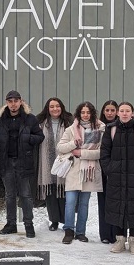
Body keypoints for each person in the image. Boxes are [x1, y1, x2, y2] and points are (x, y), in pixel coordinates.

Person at [100, 102, 134, 255]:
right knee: (117, 206)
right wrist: (109, 169)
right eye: (121, 111)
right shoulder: (111, 129)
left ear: (132, 113)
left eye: (127, 111)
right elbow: (104, 152)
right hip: (116, 176)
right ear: (118, 113)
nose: (124, 113)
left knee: (133, 207)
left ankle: (133, 241)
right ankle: (120, 240)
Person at [0, 90, 45, 238]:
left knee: (26, 195)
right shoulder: (0, 120)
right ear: (6, 103)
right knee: (9, 195)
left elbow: (40, 136)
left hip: (24, 161)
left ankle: (28, 224)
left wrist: (28, 139)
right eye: (10, 101)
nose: (13, 104)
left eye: (16, 101)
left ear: (21, 102)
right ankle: (11, 224)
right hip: (6, 162)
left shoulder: (30, 119)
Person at [56, 101, 104, 244]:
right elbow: (60, 147)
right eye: (83, 112)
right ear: (79, 113)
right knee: (70, 202)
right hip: (73, 171)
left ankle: (81, 232)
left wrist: (81, 153)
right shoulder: (71, 129)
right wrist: (73, 144)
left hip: (89, 171)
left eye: (88, 112)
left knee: (84, 204)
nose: (85, 115)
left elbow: (101, 152)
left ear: (92, 113)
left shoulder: (100, 129)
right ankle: (68, 231)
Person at [36, 97, 74, 232]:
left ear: (61, 107)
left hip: (65, 162)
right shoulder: (40, 123)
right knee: (50, 192)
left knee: (64, 192)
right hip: (46, 162)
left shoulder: (69, 122)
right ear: (47, 109)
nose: (55, 109)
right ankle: (54, 220)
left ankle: (66, 220)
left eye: (57, 106)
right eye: (51, 106)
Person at [96, 100, 119, 244]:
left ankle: (117, 234)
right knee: (103, 201)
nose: (110, 113)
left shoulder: (121, 126)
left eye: (112, 110)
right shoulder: (97, 127)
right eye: (107, 110)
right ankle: (105, 234)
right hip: (103, 168)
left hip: (118, 169)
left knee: (116, 202)